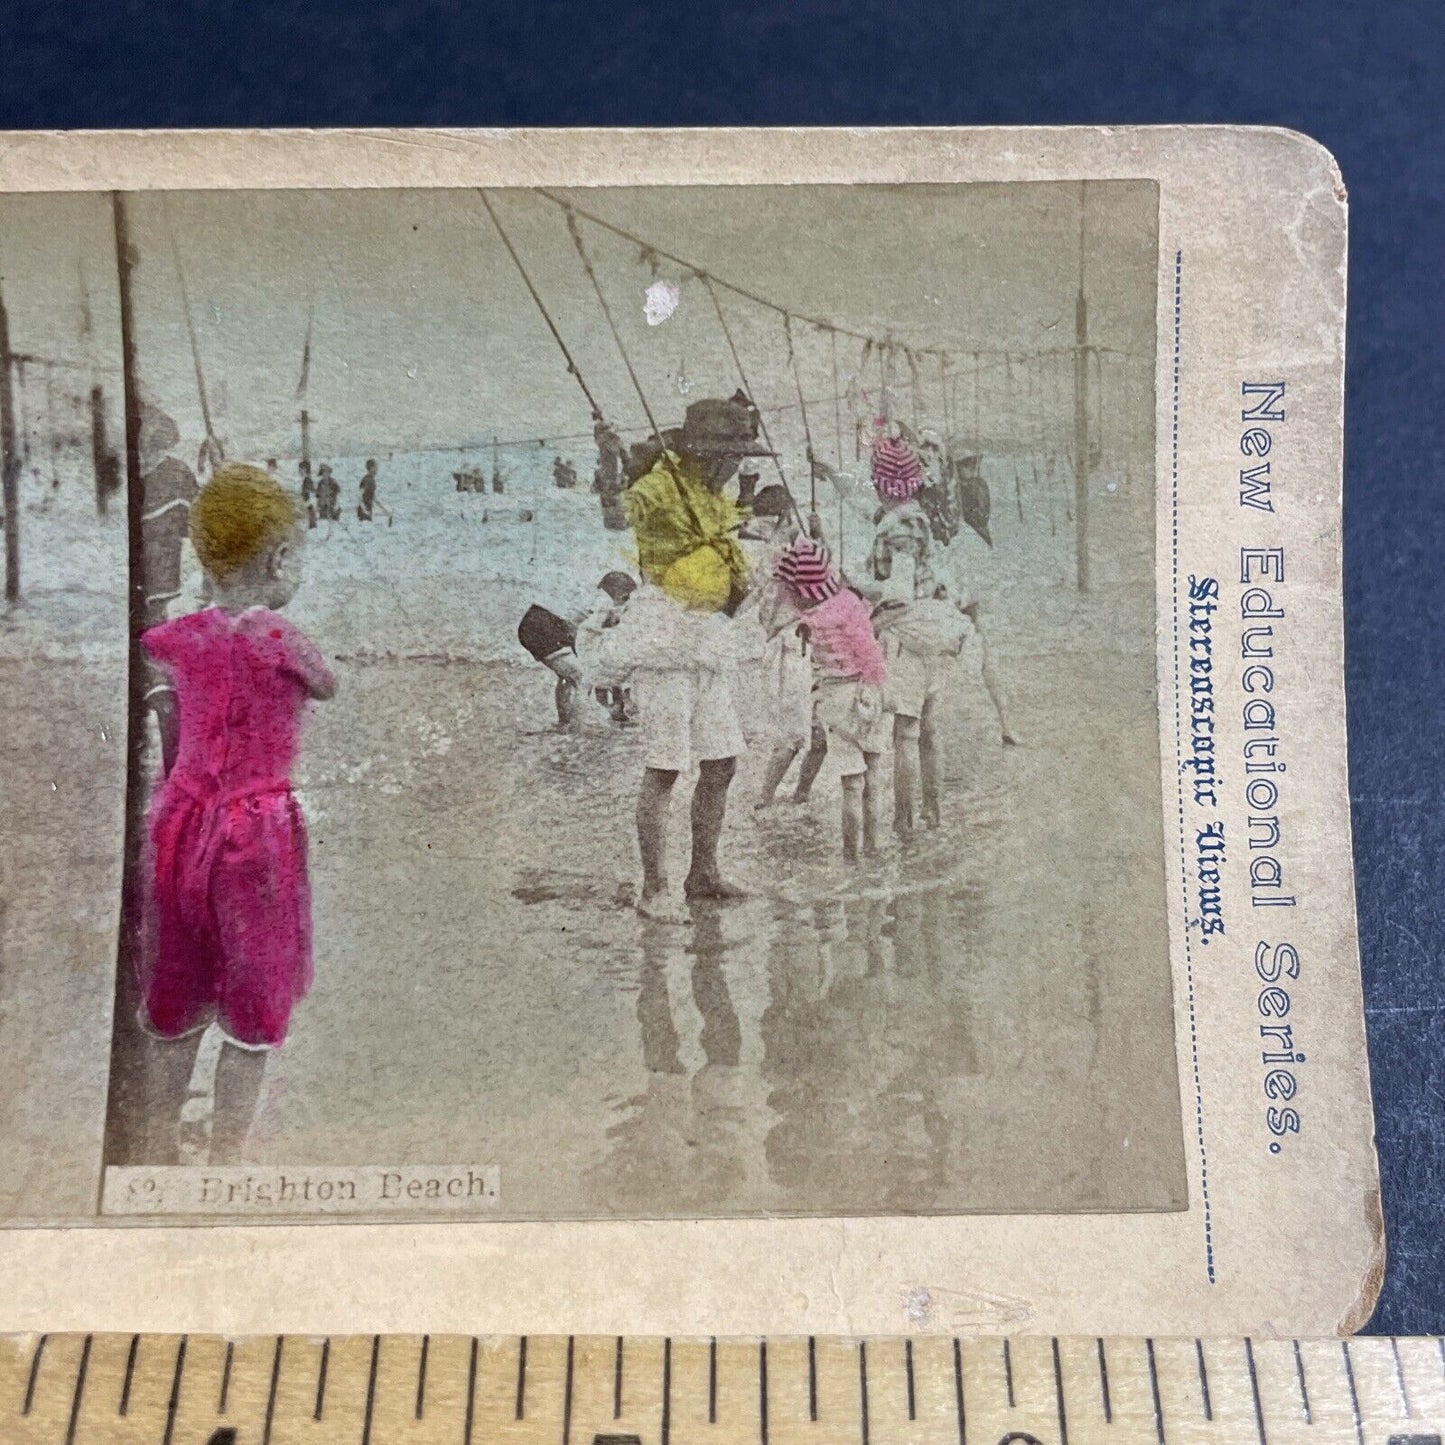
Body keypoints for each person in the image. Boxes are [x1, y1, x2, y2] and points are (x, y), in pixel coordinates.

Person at [139, 462, 335, 1162]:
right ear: (281, 558)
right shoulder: (280, 637)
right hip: (255, 837)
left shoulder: (178, 636)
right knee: (250, 1011)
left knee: (178, 996)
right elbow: (326, 682)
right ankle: (224, 1161)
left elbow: (160, 646)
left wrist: (214, 599)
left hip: (179, 825)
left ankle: (159, 1147)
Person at [578, 393, 769, 921]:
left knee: (722, 763)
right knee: (664, 768)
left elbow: (731, 539)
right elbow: (615, 519)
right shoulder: (661, 485)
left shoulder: (713, 490)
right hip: (663, 637)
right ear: (707, 452)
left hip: (705, 642)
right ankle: (654, 888)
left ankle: (702, 873)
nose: (738, 464)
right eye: (733, 455)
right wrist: (608, 460)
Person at [863, 431, 969, 834]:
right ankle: (933, 813)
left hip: (909, 634)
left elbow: (899, 591)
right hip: (935, 629)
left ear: (879, 484)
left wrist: (861, 595)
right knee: (928, 728)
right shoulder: (918, 517)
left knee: (905, 734)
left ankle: (904, 822)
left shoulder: (895, 526)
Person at [771, 536, 889, 863]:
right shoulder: (849, 605)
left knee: (850, 785)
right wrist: (879, 689)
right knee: (873, 778)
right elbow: (870, 653)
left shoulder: (806, 617)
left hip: (833, 698)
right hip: (863, 692)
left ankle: (851, 857)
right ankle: (873, 847)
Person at [741, 484, 828, 809]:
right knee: (800, 733)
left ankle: (795, 795)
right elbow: (819, 583)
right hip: (794, 644)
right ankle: (768, 798)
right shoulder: (785, 550)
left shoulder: (785, 549)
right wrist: (820, 541)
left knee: (815, 733)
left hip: (801, 643)